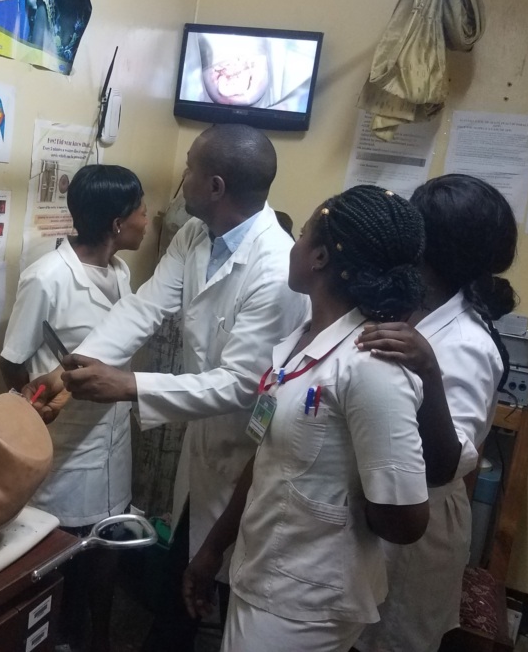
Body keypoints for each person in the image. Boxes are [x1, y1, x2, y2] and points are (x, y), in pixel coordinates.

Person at [48, 124, 309, 651]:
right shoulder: (195, 234)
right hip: (206, 443)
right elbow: (144, 308)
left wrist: (128, 385)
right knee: (185, 580)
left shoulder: (275, 268)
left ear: (215, 186)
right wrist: (76, 366)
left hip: (252, 453)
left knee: (236, 592)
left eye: (189, 168)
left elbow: (240, 384)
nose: (180, 178)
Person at [183, 185, 430, 652]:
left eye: (301, 236)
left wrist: (334, 513)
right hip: (261, 570)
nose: (292, 244)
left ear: (319, 257)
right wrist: (214, 547)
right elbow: (268, 456)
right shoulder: (303, 341)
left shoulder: (370, 367)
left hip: (310, 598)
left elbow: (405, 520)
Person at [353, 174, 519, 652]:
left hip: (415, 529)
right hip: (379, 511)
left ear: (427, 244)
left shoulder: (467, 343)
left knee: (387, 640)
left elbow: (444, 464)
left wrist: (427, 370)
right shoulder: (411, 307)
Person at [0, 164, 147, 652]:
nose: (147, 219)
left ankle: (99, 639)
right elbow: (11, 361)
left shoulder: (121, 273)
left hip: (113, 444)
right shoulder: (47, 278)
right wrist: (35, 409)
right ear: (117, 224)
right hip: (65, 450)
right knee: (62, 562)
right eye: (141, 210)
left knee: (107, 552)